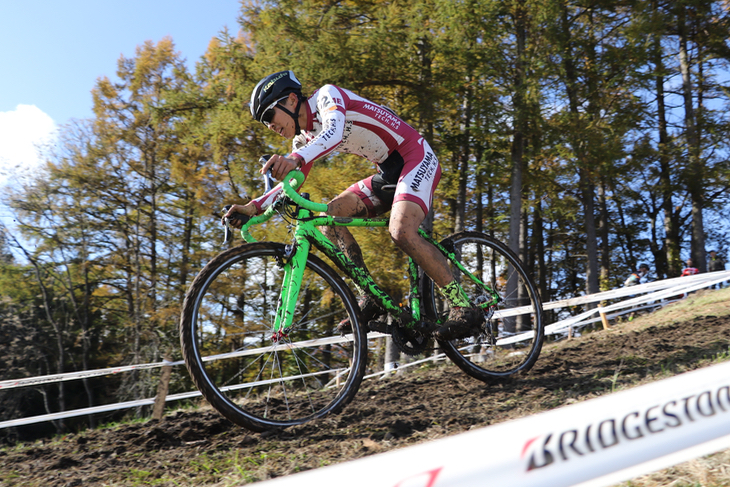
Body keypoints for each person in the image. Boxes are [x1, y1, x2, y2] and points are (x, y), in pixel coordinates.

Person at [223, 70, 482, 340]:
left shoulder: (327, 96)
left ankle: (463, 306)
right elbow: (290, 185)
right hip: (388, 172)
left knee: (401, 231)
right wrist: (253, 208)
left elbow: (333, 133)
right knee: (330, 216)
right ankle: (368, 295)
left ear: (290, 100)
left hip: (415, 156)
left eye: (268, 115)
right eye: (263, 123)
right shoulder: (303, 139)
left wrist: (295, 158)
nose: (269, 126)